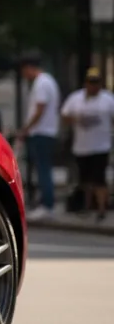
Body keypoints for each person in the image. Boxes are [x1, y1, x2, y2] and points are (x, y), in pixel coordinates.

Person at [60, 67, 114, 222]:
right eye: (91, 82)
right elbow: (65, 115)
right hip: (82, 146)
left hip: (101, 146)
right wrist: (74, 120)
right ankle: (87, 205)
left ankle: (102, 208)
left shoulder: (108, 99)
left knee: (99, 180)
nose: (93, 86)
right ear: (86, 83)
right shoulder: (76, 98)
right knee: (85, 180)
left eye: (96, 82)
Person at [16, 55, 61, 221]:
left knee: (43, 168)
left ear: (29, 67)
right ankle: (45, 203)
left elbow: (39, 109)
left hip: (42, 131)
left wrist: (26, 128)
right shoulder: (47, 81)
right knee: (42, 167)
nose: (24, 75)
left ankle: (46, 205)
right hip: (44, 131)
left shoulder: (42, 83)